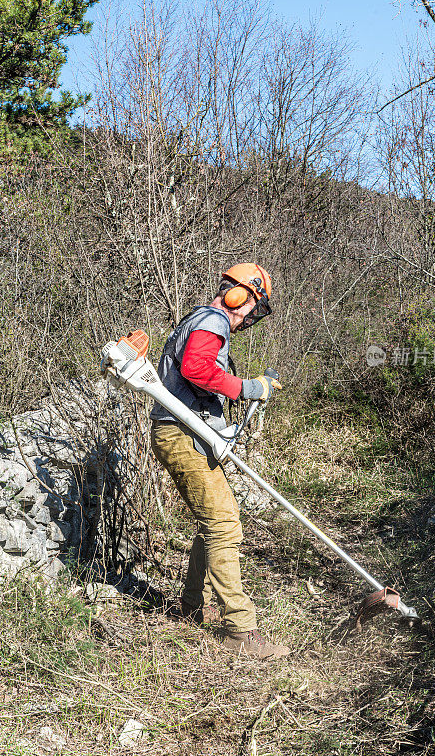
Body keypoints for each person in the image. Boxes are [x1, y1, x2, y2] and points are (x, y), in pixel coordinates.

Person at [150, 263, 290, 659]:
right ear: (237, 296)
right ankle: (240, 631)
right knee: (224, 523)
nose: (249, 317)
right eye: (252, 306)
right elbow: (196, 369)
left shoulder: (203, 319)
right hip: (181, 433)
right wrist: (249, 387)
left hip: (185, 432)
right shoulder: (213, 318)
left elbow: (200, 370)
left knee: (213, 520)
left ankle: (191, 607)